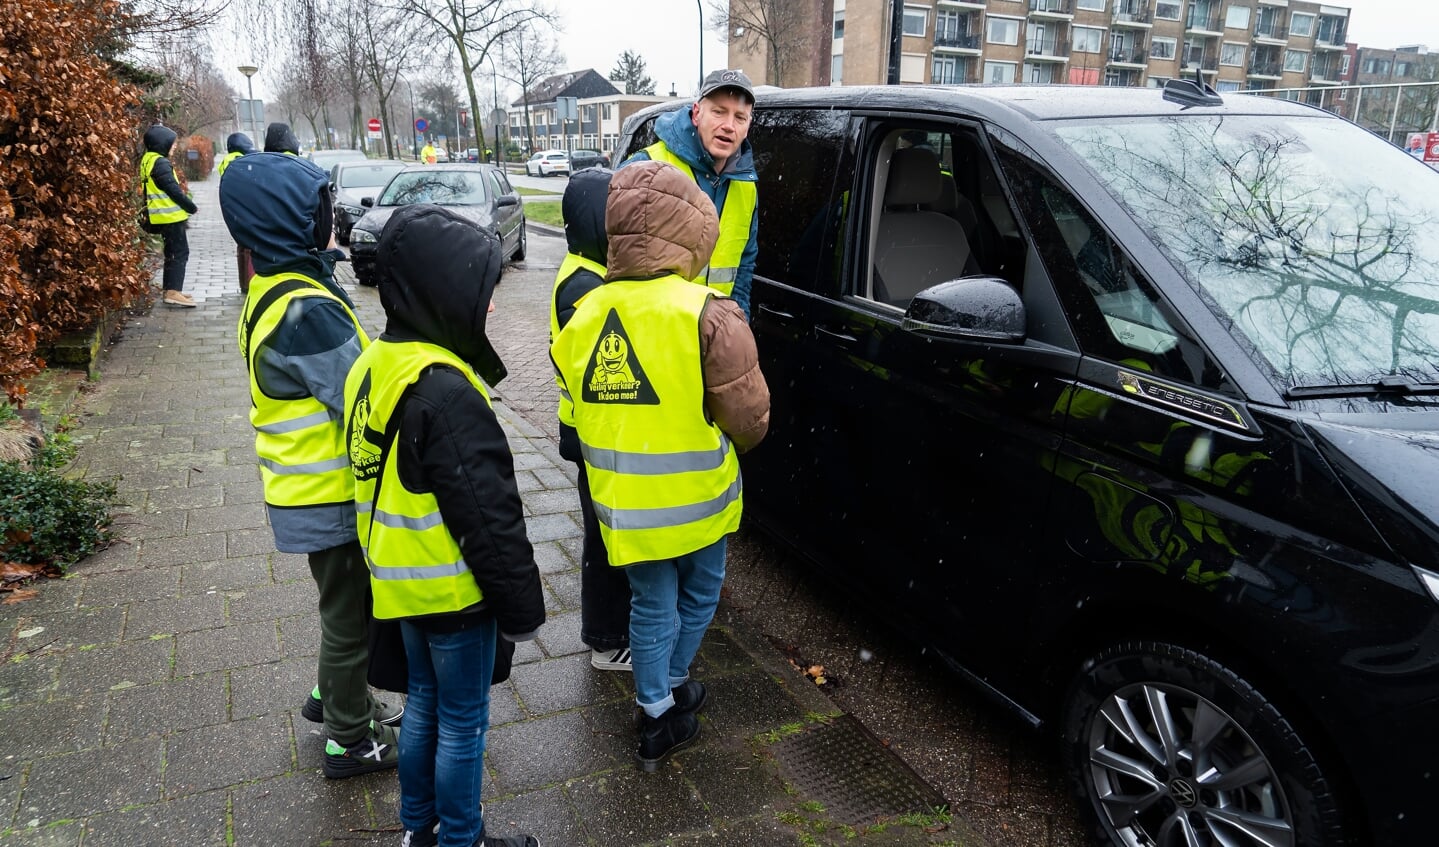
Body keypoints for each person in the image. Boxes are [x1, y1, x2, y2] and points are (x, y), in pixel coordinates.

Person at [550, 161, 770, 771]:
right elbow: (749, 416)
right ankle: (670, 690)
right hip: (700, 498)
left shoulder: (588, 311)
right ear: (694, 231)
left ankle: (655, 710)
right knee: (699, 596)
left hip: (625, 503)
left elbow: (576, 388)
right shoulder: (708, 312)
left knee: (649, 603)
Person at [345, 204, 544, 847]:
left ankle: (418, 830)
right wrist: (520, 607)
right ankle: (462, 838)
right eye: (480, 292)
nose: (488, 308)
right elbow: (489, 517)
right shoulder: (446, 392)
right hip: (455, 593)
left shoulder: (376, 363)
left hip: (400, 586)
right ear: (443, 290)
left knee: (424, 706)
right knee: (464, 721)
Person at [218, 146, 403, 780]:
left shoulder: (273, 286)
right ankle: (350, 739)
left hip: (302, 493)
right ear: (293, 223)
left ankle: (335, 695)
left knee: (340, 605)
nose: (334, 220)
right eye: (324, 211)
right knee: (350, 615)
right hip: (328, 498)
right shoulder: (307, 311)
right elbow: (364, 391)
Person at [548, 168, 632, 673]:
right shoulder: (585, 285)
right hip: (589, 430)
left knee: (604, 532)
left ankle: (609, 629)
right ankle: (604, 639)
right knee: (603, 538)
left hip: (584, 427)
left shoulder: (587, 269)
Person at [623, 69, 758, 319]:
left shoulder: (746, 186)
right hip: (654, 335)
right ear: (697, 113)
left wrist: (738, 325)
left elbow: (743, 269)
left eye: (740, 117)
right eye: (718, 112)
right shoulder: (647, 166)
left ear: (748, 126)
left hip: (709, 339)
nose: (728, 126)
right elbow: (611, 257)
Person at [140, 125, 199, 308]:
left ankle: (171, 291)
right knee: (179, 253)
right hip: (169, 217)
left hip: (160, 216)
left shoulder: (148, 160)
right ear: (162, 143)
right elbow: (172, 189)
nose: (173, 147)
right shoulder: (160, 163)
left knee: (172, 253)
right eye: (171, 143)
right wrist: (190, 206)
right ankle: (173, 292)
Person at [216, 132, 256, 294]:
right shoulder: (239, 161)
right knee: (249, 246)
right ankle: (249, 283)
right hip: (245, 208)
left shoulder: (228, 161)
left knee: (242, 246)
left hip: (234, 209)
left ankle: (245, 284)